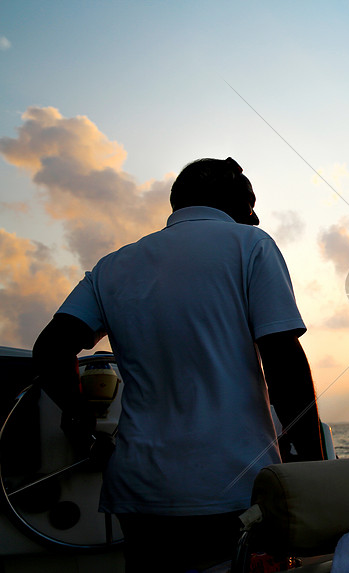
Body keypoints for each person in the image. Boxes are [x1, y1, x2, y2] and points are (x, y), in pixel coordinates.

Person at [32, 157, 323, 572]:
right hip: (231, 485)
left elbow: (50, 350)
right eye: (251, 203)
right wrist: (311, 468)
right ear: (230, 201)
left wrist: (78, 417)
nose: (255, 216)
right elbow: (284, 362)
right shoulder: (251, 245)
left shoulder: (112, 265)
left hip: (139, 492)